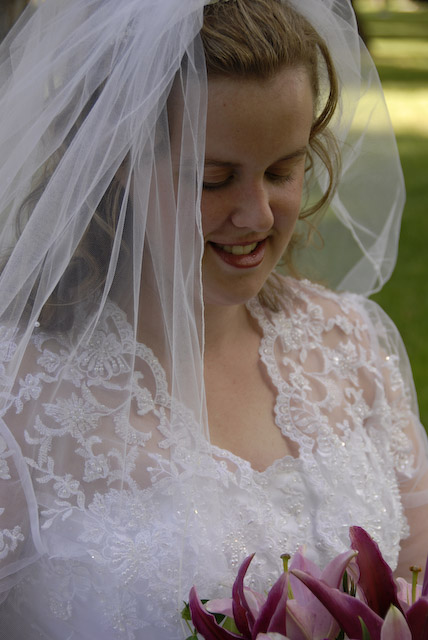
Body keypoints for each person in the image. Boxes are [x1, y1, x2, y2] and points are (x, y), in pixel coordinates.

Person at [0, 0, 427, 637]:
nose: (258, 215)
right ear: (118, 164)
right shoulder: (19, 399)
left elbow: (415, 582)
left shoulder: (350, 343)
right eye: (213, 178)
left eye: (282, 170)